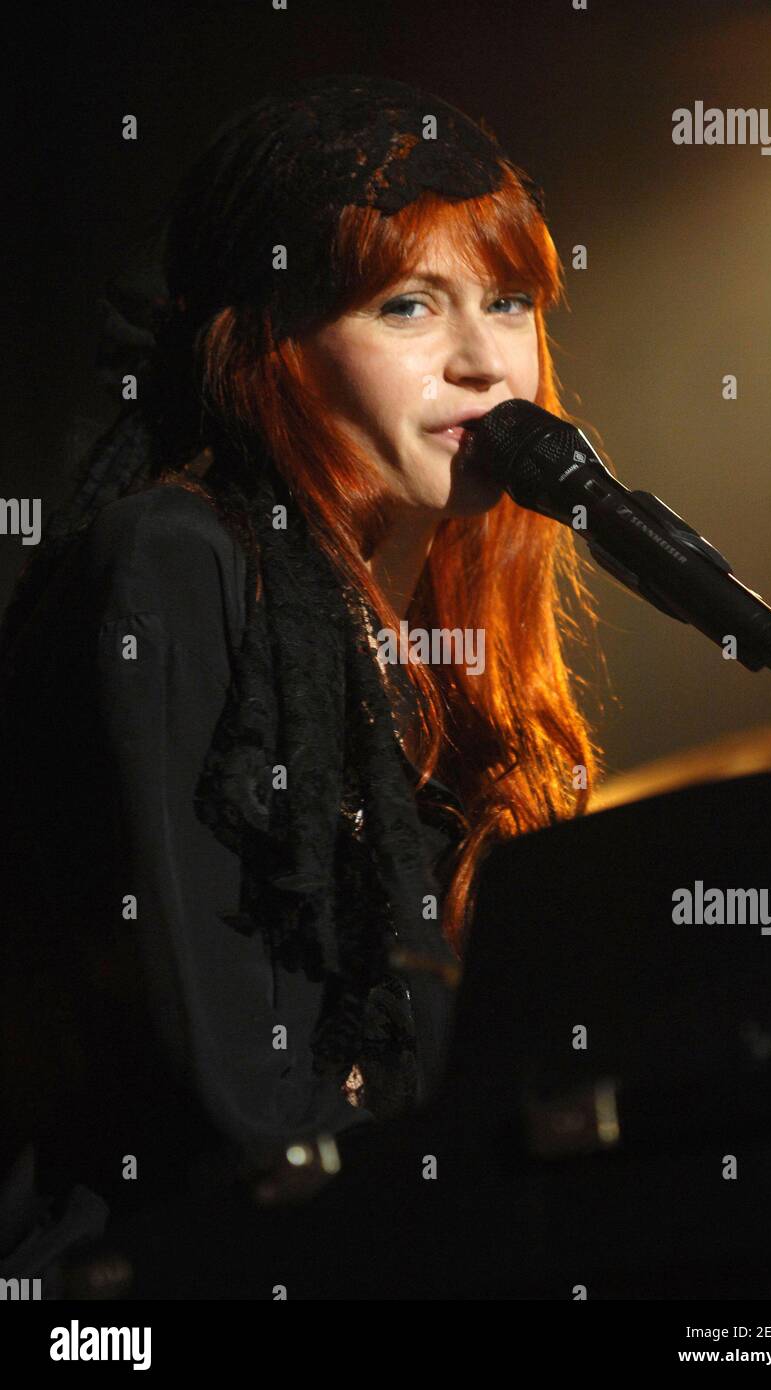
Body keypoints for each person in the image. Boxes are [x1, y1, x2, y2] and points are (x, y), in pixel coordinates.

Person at [0, 73, 603, 1296]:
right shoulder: (173, 562)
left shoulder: (440, 633)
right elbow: (235, 1094)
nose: (486, 360)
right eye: (406, 306)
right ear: (266, 342)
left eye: (508, 300)